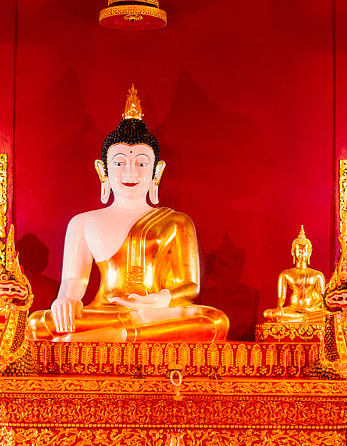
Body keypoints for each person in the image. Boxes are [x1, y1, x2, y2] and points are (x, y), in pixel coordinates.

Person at [28, 86, 229, 341]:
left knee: (214, 321)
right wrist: (66, 299)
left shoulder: (177, 222)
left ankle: (113, 337)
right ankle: (119, 333)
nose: (130, 172)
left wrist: (159, 300)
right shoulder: (84, 222)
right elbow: (74, 280)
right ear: (103, 171)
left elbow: (189, 287)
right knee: (37, 323)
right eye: (120, 162)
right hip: (104, 311)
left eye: (142, 163)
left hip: (157, 314)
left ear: (157, 171)